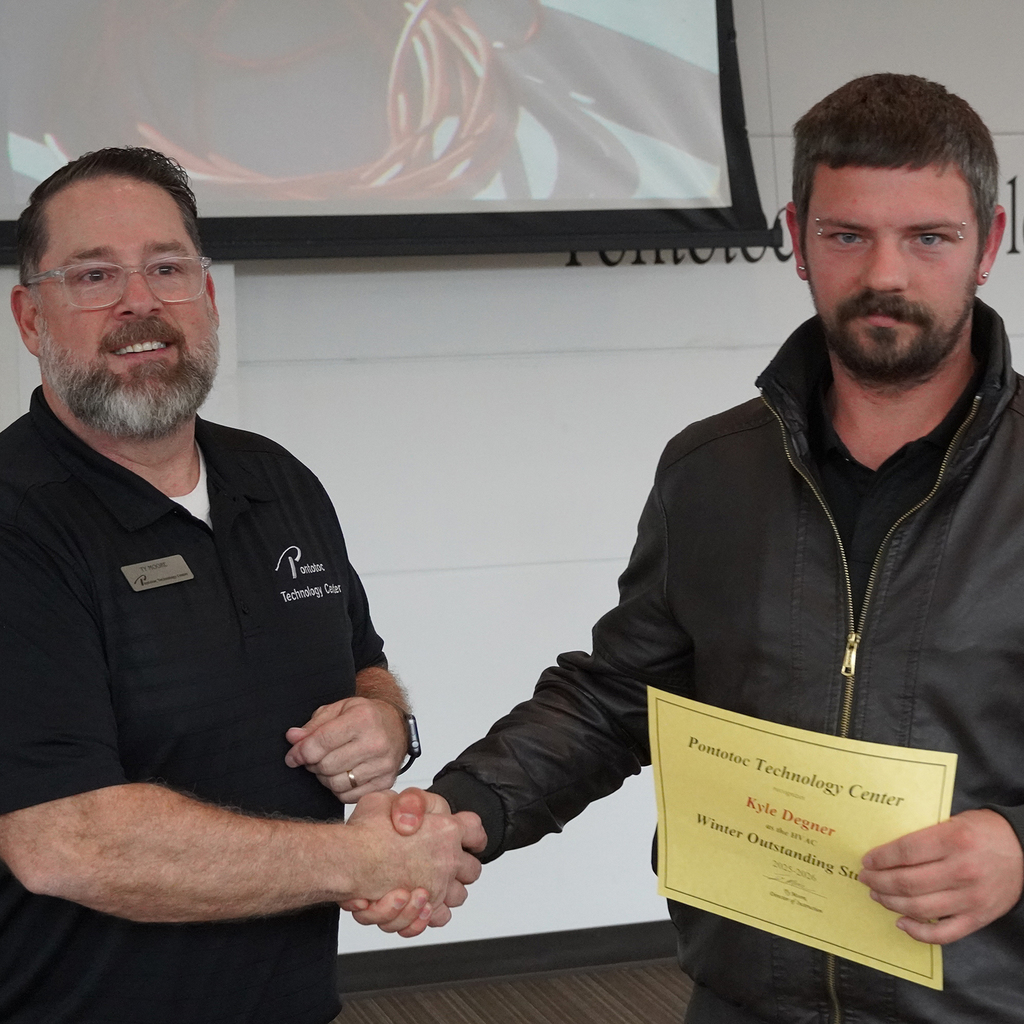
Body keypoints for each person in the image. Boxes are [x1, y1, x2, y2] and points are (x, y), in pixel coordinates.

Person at [367, 74, 1024, 1021]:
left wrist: (1017, 848)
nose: (887, 275)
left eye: (929, 237)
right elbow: (615, 697)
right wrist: (457, 812)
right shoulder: (712, 469)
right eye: (848, 236)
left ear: (989, 244)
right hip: (747, 1001)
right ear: (795, 240)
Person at [0, 147, 484, 1024]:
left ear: (207, 297)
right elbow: (65, 840)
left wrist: (382, 722)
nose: (139, 302)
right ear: (31, 317)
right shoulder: (16, 522)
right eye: (95, 275)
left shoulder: (278, 481)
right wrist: (363, 863)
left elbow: (363, 664)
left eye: (166, 268)